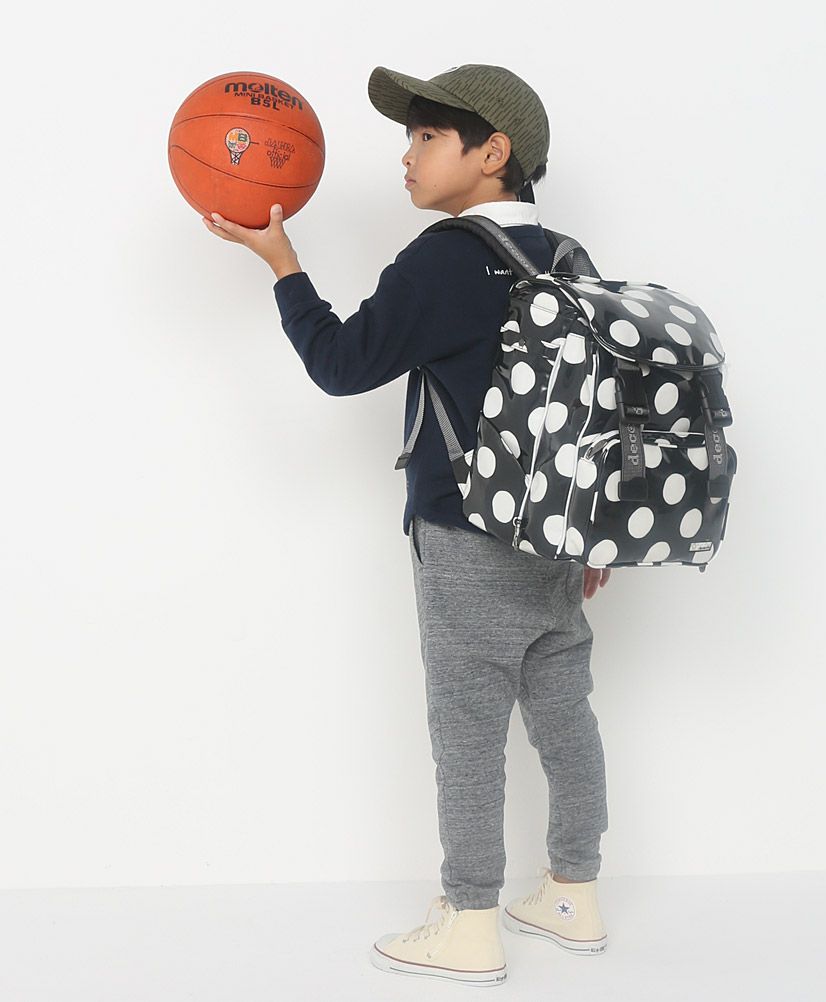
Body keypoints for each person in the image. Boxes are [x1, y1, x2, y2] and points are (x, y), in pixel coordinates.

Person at [203, 62, 611, 988]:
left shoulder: (444, 258)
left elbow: (343, 364)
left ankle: (469, 921)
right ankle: (573, 894)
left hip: (466, 536)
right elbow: (590, 408)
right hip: (558, 535)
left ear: (492, 151)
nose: (407, 154)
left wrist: (283, 265)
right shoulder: (567, 257)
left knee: (466, 729)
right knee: (564, 714)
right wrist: (590, 534)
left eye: (427, 136)